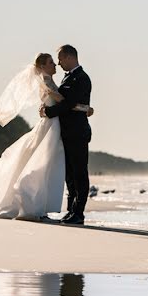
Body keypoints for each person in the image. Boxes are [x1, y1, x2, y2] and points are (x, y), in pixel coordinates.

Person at [0, 52, 92, 220]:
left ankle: (65, 210)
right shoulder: (47, 82)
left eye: (58, 60)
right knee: (43, 165)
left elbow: (64, 103)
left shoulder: (65, 79)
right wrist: (84, 109)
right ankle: (38, 204)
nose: (56, 64)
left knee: (53, 167)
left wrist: (81, 108)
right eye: (52, 62)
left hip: (57, 127)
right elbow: (64, 102)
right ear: (43, 66)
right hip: (51, 127)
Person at [39, 45, 92, 226]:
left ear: (70, 57)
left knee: (79, 173)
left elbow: (68, 104)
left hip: (78, 132)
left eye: (60, 59)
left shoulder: (82, 78)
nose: (59, 63)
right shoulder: (67, 77)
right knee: (70, 174)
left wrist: (49, 111)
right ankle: (71, 210)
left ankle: (79, 213)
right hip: (66, 133)